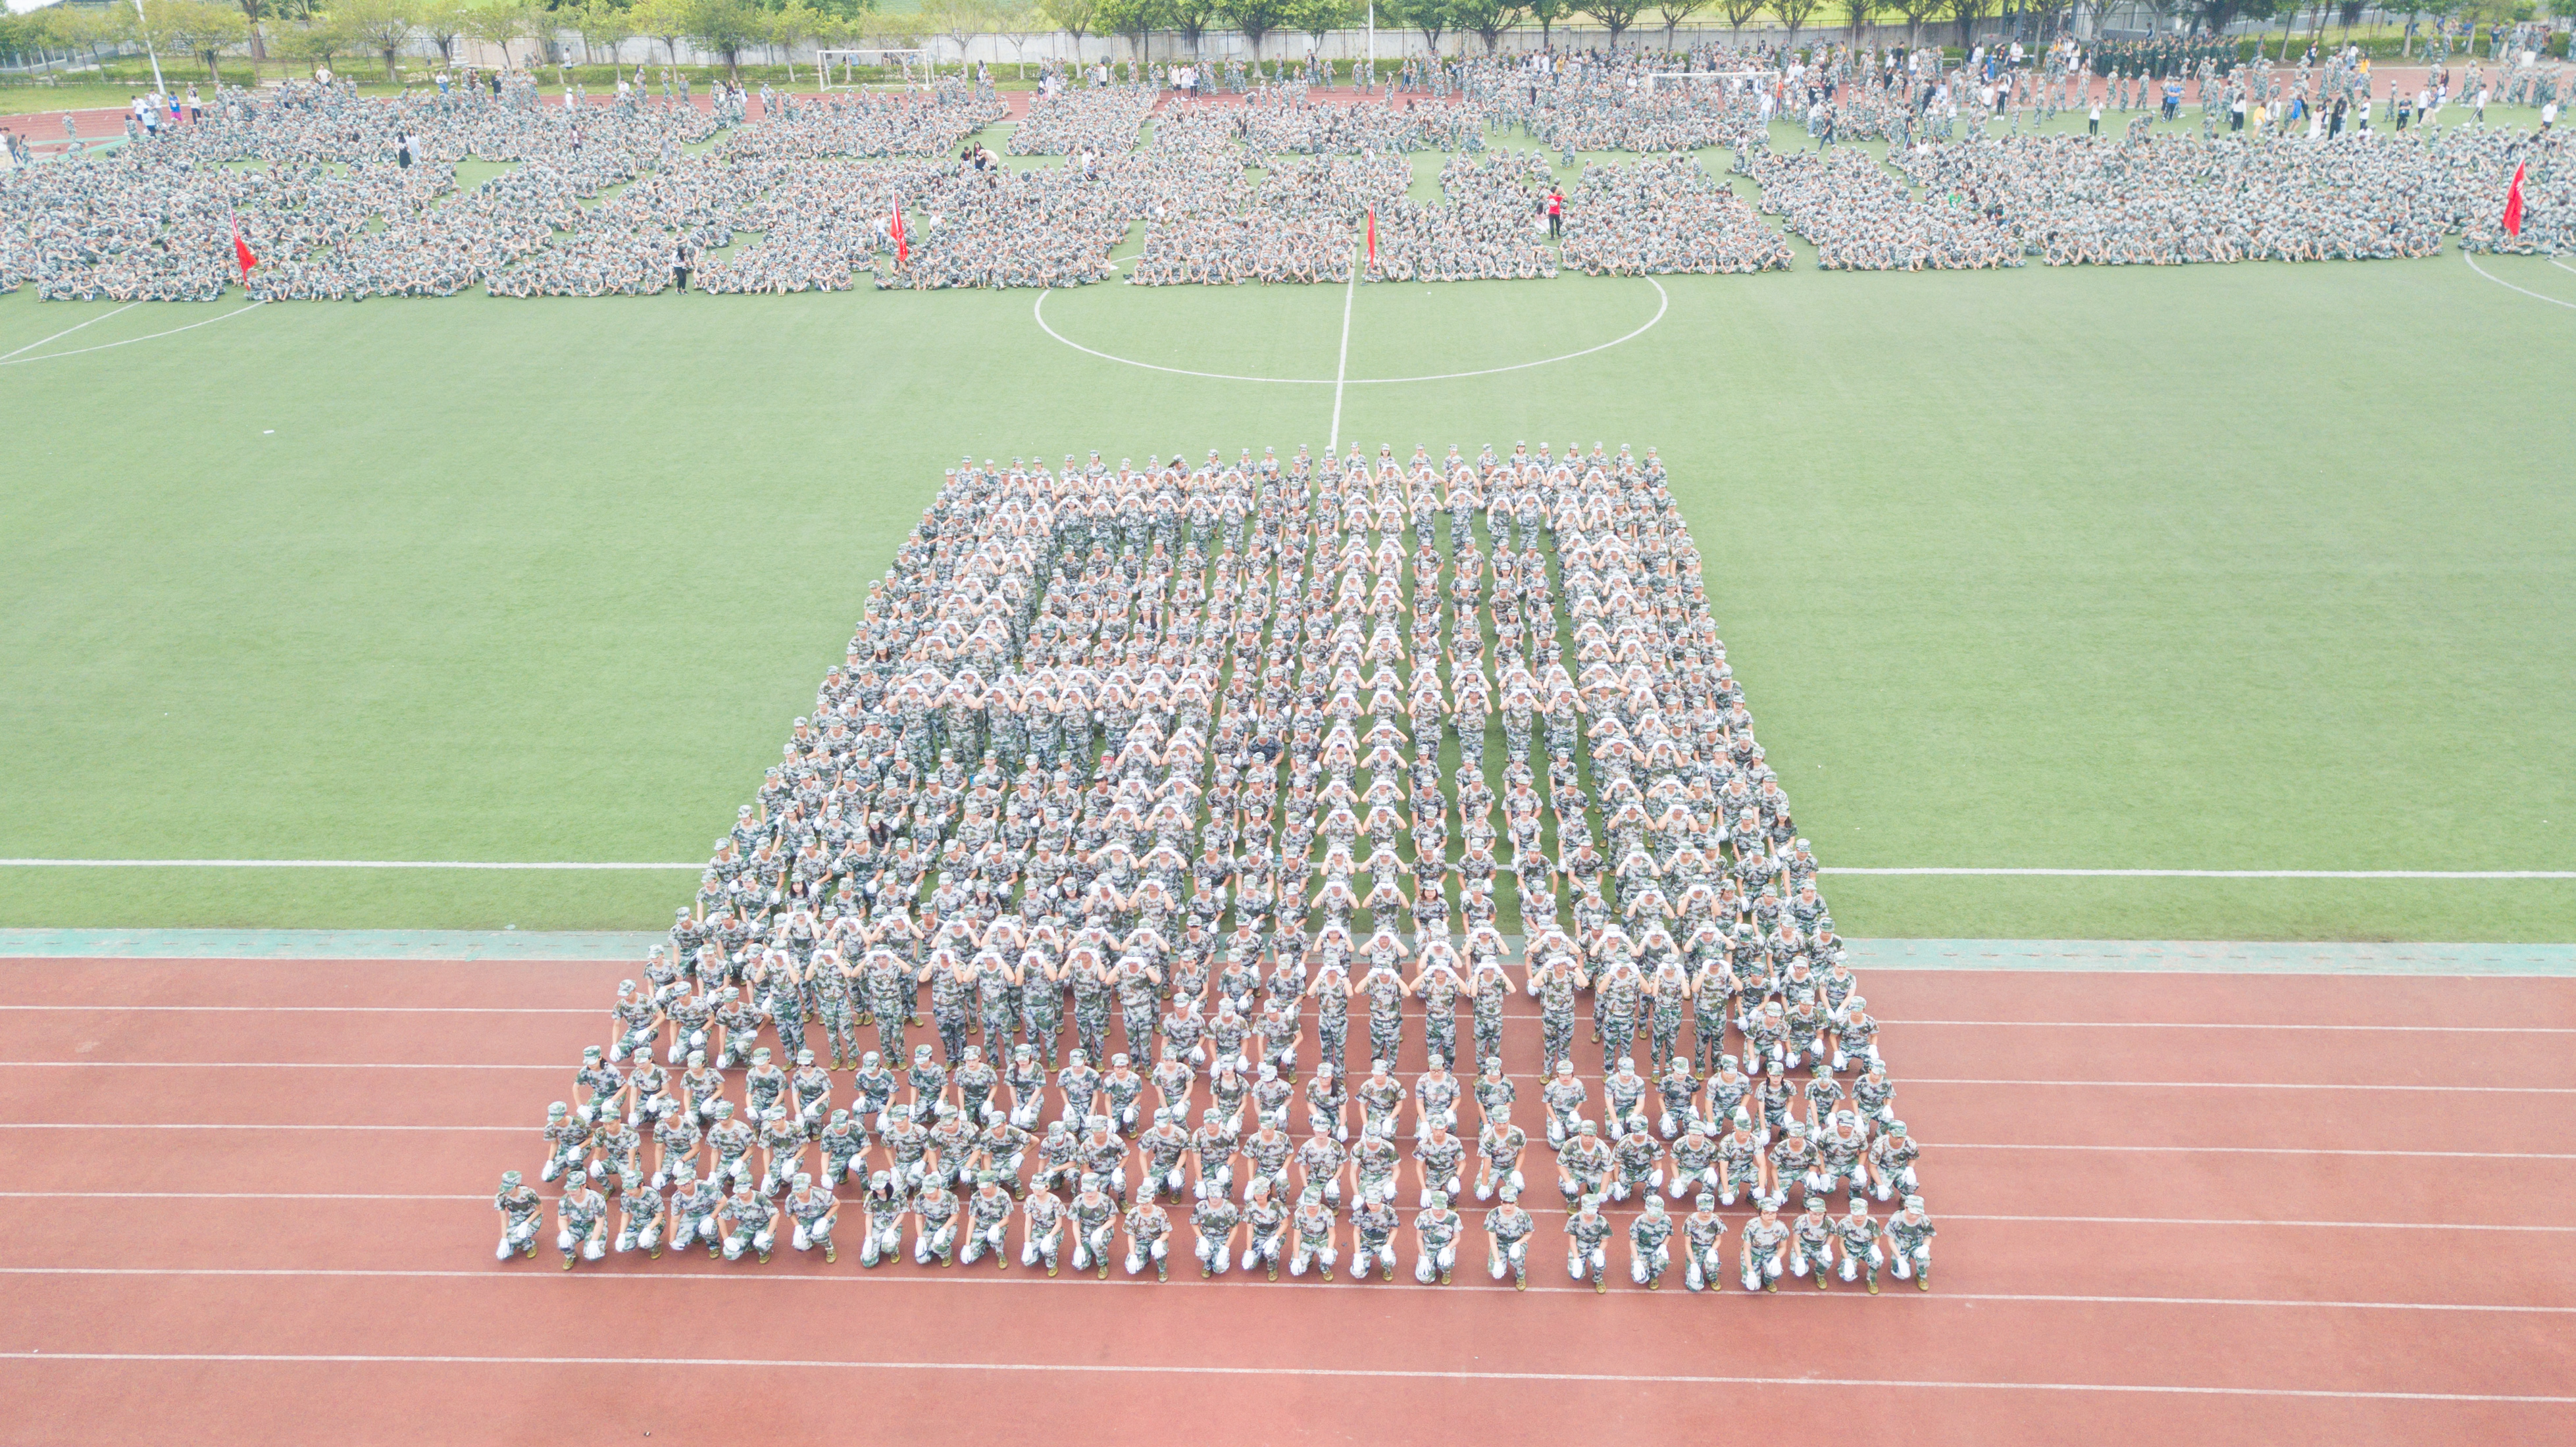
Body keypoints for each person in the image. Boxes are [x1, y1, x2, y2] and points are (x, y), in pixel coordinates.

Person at [493, 1170, 542, 1260]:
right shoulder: (500, 1197)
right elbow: (503, 1219)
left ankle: (530, 1245)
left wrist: (526, 1223)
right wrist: (504, 1239)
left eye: (510, 1189)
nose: (506, 1192)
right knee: (505, 1254)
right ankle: (515, 1242)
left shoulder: (529, 1193)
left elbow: (539, 1210)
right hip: (516, 1218)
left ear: (517, 1185)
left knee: (515, 1240)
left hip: (532, 1217)